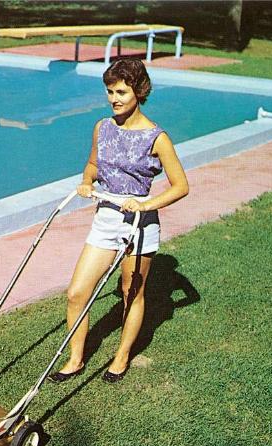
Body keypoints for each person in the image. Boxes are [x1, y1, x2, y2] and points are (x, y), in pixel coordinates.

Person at [49, 58, 189, 384]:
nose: (114, 98)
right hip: (107, 217)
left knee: (131, 293)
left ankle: (121, 356)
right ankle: (75, 359)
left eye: (122, 92)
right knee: (77, 292)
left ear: (139, 91)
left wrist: (147, 204)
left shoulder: (157, 137)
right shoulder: (103, 127)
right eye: (110, 91)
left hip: (140, 223)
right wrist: (86, 181)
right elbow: (93, 164)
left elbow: (181, 185)